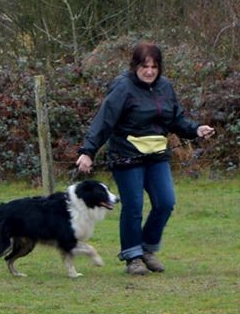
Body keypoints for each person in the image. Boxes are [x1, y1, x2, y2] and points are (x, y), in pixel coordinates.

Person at [76, 42, 215, 275]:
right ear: (135, 66)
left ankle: (148, 249)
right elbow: (104, 120)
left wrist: (196, 129)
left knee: (166, 202)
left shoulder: (165, 87)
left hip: (157, 155)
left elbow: (176, 119)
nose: (149, 71)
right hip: (126, 156)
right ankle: (133, 257)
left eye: (154, 66)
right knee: (133, 206)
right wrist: (88, 151)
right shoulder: (123, 87)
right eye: (144, 66)